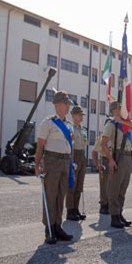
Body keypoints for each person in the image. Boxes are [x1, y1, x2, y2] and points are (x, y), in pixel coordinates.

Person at [34, 91, 74, 244]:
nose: (68, 106)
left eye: (68, 103)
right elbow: (40, 147)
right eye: (66, 103)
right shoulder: (48, 123)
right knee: (50, 195)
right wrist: (37, 165)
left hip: (65, 162)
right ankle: (49, 229)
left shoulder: (68, 125)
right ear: (57, 105)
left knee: (60, 196)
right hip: (51, 161)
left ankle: (58, 226)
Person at [101, 101, 132, 228]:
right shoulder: (111, 125)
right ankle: (114, 216)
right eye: (119, 109)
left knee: (123, 187)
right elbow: (103, 144)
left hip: (128, 156)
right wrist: (110, 160)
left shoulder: (125, 124)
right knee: (115, 188)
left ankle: (119, 213)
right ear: (114, 111)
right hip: (118, 155)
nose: (121, 110)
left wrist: (122, 122)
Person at [66, 106, 88, 221]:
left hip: (82, 156)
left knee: (79, 185)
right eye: (79, 115)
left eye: (82, 115)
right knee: (72, 185)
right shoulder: (70, 128)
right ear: (73, 116)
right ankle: (70, 211)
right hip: (73, 156)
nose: (81, 117)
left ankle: (76, 209)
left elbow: (85, 143)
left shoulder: (83, 130)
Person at [91, 135, 110, 213]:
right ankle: (104, 205)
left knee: (114, 184)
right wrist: (97, 164)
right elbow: (94, 151)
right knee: (104, 185)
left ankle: (111, 204)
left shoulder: (118, 136)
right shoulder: (102, 137)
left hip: (116, 160)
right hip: (105, 160)